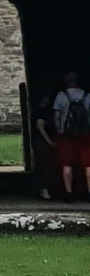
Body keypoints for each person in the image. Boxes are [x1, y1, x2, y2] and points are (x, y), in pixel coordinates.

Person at [51, 71, 90, 200]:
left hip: (66, 135)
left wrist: (59, 130)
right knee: (88, 164)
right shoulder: (87, 96)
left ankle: (68, 193)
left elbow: (56, 117)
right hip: (85, 134)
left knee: (67, 164)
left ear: (66, 82)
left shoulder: (61, 96)